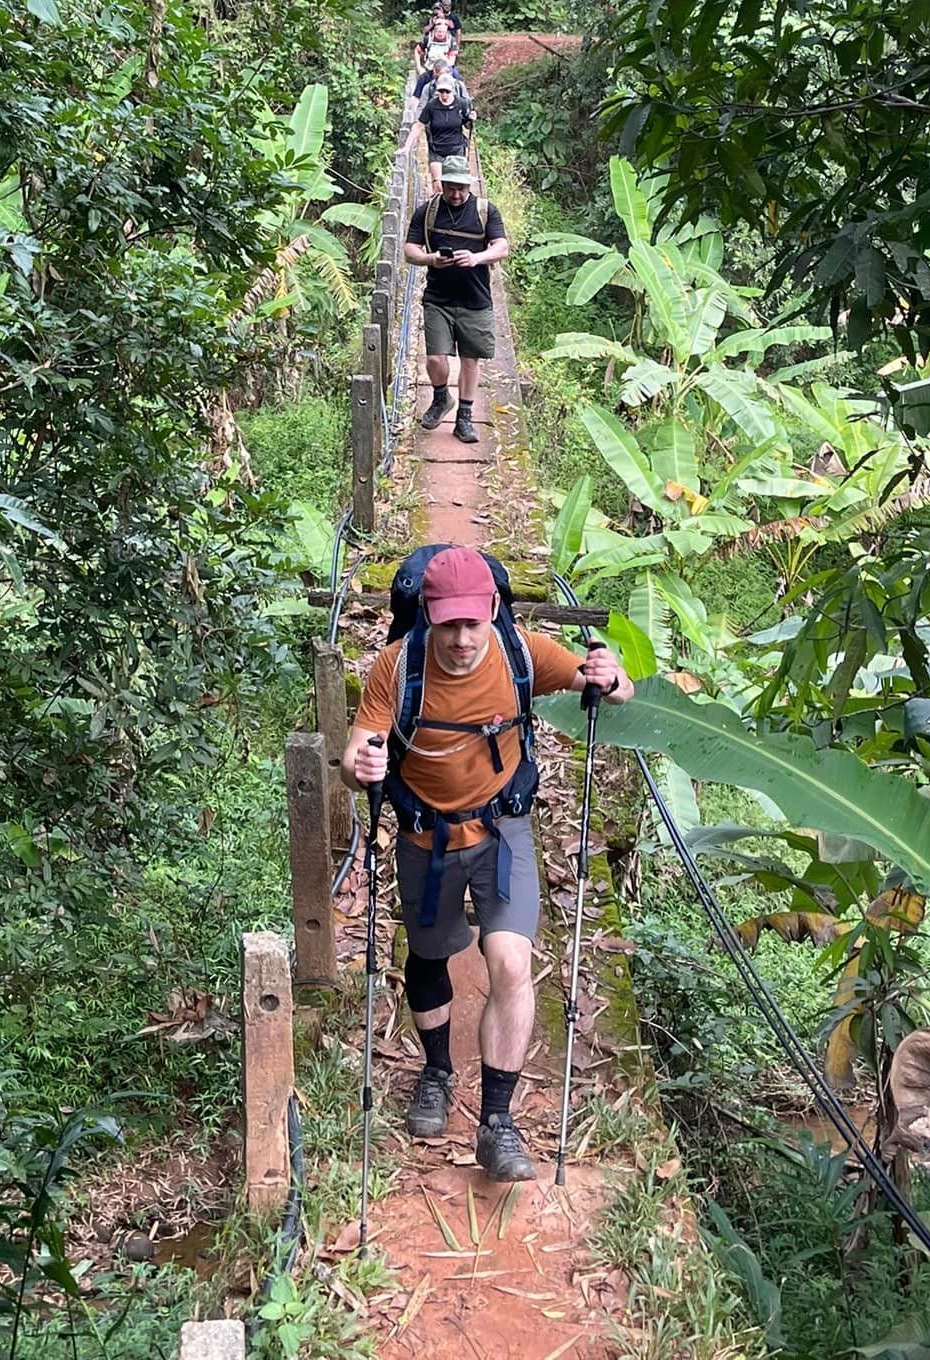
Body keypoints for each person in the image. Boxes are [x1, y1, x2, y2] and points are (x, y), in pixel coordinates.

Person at [340, 545, 635, 1181]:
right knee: (428, 958)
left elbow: (611, 689)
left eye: (474, 622)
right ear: (428, 616)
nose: (462, 637)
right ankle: (438, 1071)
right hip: (426, 837)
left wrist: (612, 678)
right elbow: (355, 752)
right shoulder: (398, 666)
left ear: (493, 610)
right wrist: (360, 765)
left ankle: (497, 1122)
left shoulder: (522, 653)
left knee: (510, 962)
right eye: (449, 623)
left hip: (501, 832)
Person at [404, 156, 507, 444]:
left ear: (469, 185)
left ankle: (464, 418)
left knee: (470, 360)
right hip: (438, 298)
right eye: (451, 188)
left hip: (475, 299)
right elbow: (410, 250)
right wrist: (431, 259)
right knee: (435, 358)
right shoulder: (428, 212)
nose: (456, 194)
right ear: (442, 184)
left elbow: (502, 247)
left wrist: (476, 258)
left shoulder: (486, 211)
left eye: (461, 188)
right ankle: (440, 398)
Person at [415, 71, 473, 195]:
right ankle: (437, 210)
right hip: (437, 148)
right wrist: (406, 147)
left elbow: (467, 125)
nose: (444, 95)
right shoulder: (431, 106)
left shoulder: (461, 104)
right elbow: (419, 125)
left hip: (456, 148)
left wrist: (470, 118)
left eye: (447, 91)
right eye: (441, 91)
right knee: (439, 186)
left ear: (452, 90)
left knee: (456, 185)